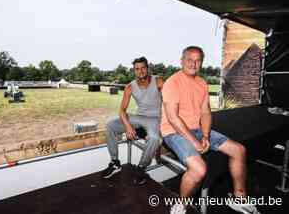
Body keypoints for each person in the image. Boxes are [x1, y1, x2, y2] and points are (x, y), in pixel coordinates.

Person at [161, 46, 260, 214]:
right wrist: (195, 142)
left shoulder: (201, 83)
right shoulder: (172, 82)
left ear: (201, 63)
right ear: (182, 61)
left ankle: (239, 198)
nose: (193, 63)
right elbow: (173, 118)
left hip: (197, 129)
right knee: (199, 170)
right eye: (189, 59)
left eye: (197, 60)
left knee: (239, 150)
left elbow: (206, 112)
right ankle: (181, 205)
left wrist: (205, 136)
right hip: (173, 131)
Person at [101, 56, 164, 185]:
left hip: (154, 119)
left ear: (147, 69)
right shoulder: (130, 87)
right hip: (138, 117)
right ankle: (115, 163)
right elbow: (122, 110)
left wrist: (165, 123)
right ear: (134, 71)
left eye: (143, 68)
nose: (140, 71)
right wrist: (128, 126)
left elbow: (170, 102)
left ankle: (141, 168)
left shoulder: (158, 81)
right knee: (110, 126)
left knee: (154, 139)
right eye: (137, 69)